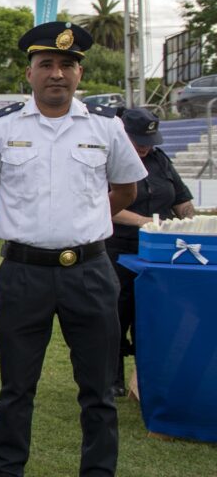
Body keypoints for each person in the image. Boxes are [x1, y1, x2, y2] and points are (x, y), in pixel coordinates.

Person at [0, 21, 146, 477]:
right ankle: (7, 471)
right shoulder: (0, 128)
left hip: (89, 272)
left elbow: (125, 190)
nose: (56, 73)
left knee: (97, 392)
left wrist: (87, 222)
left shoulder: (106, 129)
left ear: (79, 74)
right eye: (45, 64)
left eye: (66, 65)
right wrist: (22, 223)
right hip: (24, 272)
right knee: (16, 388)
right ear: (29, 73)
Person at [106, 108, 194, 396]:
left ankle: (150, 375)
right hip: (119, 249)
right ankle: (112, 378)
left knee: (154, 316)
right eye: (139, 140)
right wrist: (149, 223)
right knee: (117, 314)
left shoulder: (161, 161)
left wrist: (191, 220)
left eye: (149, 140)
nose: (145, 146)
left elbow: (181, 199)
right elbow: (104, 206)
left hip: (160, 254)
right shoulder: (109, 161)